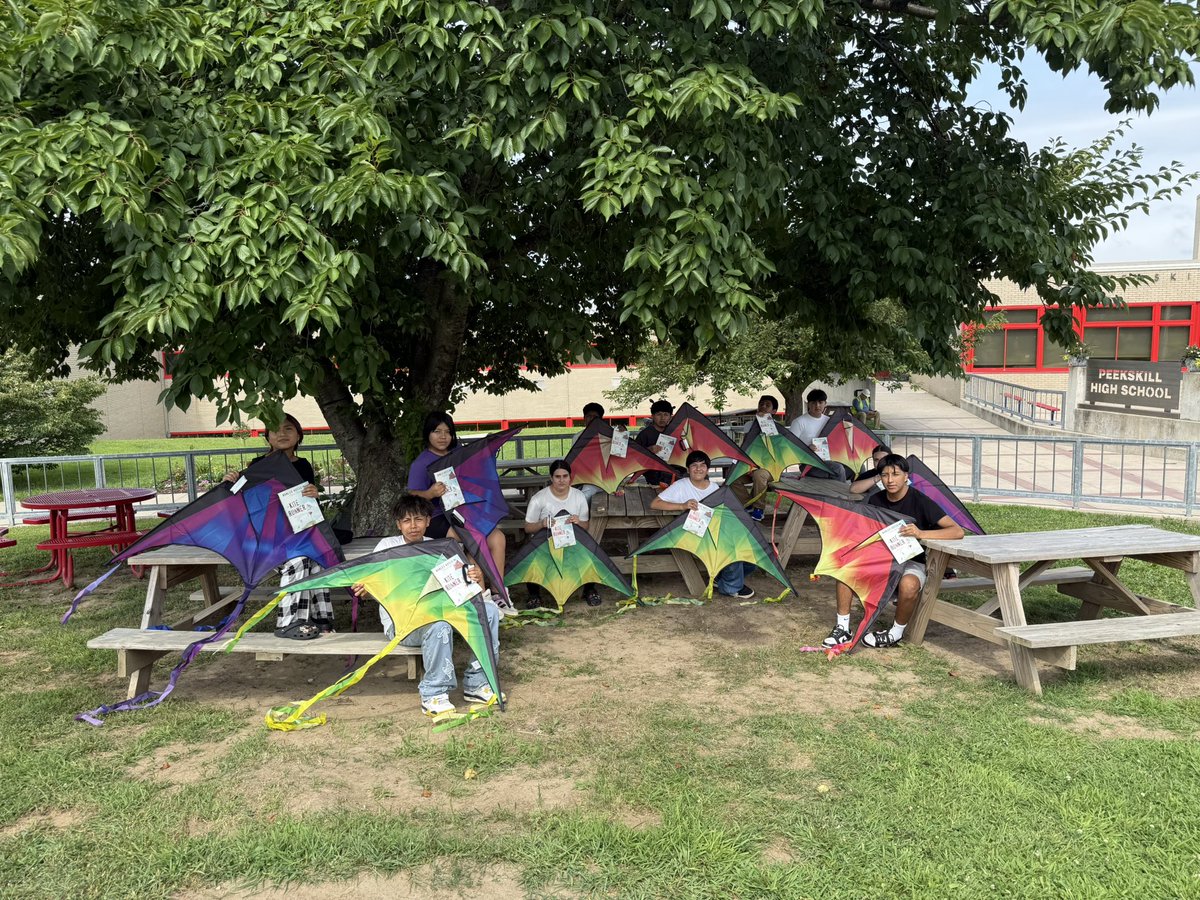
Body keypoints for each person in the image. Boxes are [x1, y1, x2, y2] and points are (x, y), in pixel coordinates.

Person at [357, 494, 502, 716]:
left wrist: (473, 576)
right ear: (398, 524)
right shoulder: (387, 547)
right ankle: (434, 693)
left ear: (428, 521)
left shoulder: (440, 548)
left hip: (442, 612)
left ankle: (477, 683)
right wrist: (367, 589)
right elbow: (369, 584)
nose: (413, 526)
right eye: (406, 521)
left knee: (489, 611)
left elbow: (461, 587)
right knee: (439, 625)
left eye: (418, 519)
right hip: (404, 624)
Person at [822, 453, 964, 649]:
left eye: (895, 474)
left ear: (906, 476)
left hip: (911, 560)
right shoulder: (875, 500)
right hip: (880, 557)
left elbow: (957, 531)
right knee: (844, 570)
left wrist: (921, 533)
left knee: (909, 584)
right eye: (885, 475)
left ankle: (895, 632)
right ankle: (843, 628)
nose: (890, 480)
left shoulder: (920, 500)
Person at [223, 414, 331, 640]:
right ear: (267, 438)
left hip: (298, 532)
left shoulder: (302, 465)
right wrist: (231, 482)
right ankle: (288, 622)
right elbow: (241, 497)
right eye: (276, 430)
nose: (282, 434)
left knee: (318, 559)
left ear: (299, 435)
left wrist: (314, 495)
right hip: (269, 537)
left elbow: (307, 504)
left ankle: (321, 619)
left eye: (289, 429)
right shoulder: (258, 465)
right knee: (299, 561)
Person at [406, 411, 509, 605]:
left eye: (447, 431)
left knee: (497, 537)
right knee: (474, 539)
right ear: (428, 434)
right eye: (437, 431)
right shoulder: (421, 463)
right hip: (436, 518)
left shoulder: (459, 455)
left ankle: (498, 593)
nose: (443, 436)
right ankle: (481, 598)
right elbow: (412, 495)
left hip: (464, 513)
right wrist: (430, 493)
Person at [650, 450, 755, 600]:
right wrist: (682, 506)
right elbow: (655, 504)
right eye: (694, 465)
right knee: (728, 546)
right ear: (688, 469)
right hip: (691, 532)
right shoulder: (681, 485)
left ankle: (722, 577)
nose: (698, 469)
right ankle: (730, 587)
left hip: (713, 529)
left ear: (707, 469)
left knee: (748, 547)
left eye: (702, 465)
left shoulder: (714, 487)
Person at [523, 460, 601, 607]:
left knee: (591, 550)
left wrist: (579, 522)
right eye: (557, 477)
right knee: (530, 556)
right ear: (551, 478)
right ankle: (534, 594)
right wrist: (542, 524)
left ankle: (589, 589)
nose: (561, 480)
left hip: (572, 544)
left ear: (570, 477)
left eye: (565, 476)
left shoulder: (578, 496)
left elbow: (586, 525)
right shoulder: (539, 498)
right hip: (546, 544)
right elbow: (527, 527)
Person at [730, 394, 779, 521]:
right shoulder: (749, 425)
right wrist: (749, 466)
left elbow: (775, 453)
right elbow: (746, 448)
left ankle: (759, 509)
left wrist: (765, 422)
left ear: (774, 411)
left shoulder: (778, 427)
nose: (763, 407)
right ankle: (749, 504)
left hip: (771, 468)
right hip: (751, 465)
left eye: (767, 405)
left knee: (759, 475)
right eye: (761, 404)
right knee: (733, 476)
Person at [635, 399, 683, 487]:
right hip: (654, 479)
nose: (662, 418)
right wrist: (648, 450)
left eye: (666, 414)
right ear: (652, 416)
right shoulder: (645, 434)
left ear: (670, 417)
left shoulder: (676, 433)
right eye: (659, 414)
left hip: (676, 476)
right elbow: (634, 457)